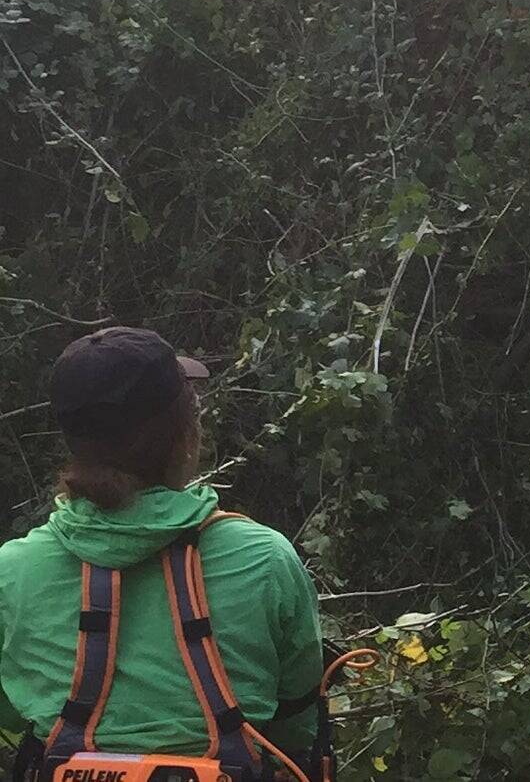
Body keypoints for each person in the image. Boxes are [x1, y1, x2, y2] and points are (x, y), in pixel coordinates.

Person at [0, 326, 325, 779]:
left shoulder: (12, 571)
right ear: (184, 432)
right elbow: (297, 720)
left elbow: (13, 709)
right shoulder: (264, 558)